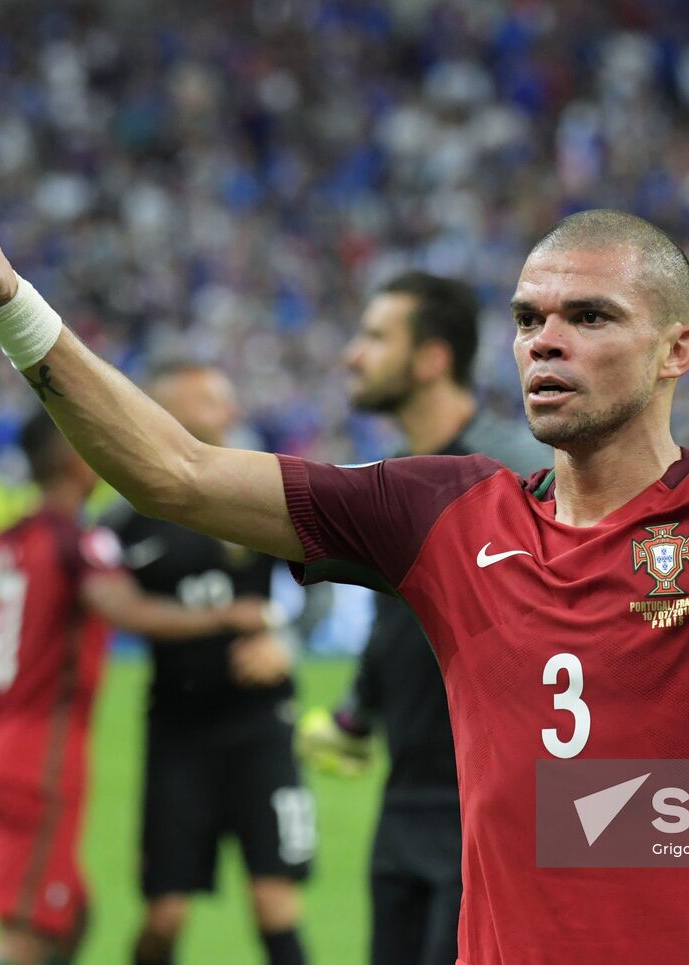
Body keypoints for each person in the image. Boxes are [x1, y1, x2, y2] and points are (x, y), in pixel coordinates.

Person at [0, 124, 689, 963]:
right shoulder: (445, 514)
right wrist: (11, 308)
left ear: (680, 348)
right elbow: (174, 472)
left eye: (587, 318)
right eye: (530, 317)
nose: (545, 342)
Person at [0, 412, 269, 965]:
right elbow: (124, 610)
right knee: (28, 930)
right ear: (73, 458)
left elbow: (16, 641)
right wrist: (227, 615)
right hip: (38, 757)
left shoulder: (9, 540)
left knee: (70, 917)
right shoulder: (75, 538)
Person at [301, 271, 547, 965]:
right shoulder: (399, 479)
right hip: (403, 800)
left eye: (375, 336)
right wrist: (359, 708)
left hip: (496, 809)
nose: (353, 354)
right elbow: (400, 619)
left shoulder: (519, 471)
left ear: (433, 358)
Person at [101, 360, 314, 965]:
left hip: (262, 726)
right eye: (211, 401)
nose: (228, 411)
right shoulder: (125, 517)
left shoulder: (262, 488)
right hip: (178, 731)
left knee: (274, 903)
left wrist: (287, 640)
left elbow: (324, 577)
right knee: (164, 917)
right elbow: (108, 603)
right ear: (164, 410)